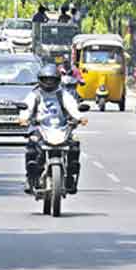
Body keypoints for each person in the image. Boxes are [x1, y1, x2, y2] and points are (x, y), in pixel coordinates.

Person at [19, 63, 87, 195]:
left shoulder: (63, 94)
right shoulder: (35, 95)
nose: (49, 83)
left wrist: (80, 117)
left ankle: (70, 177)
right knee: (31, 145)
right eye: (46, 79)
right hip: (41, 127)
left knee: (74, 144)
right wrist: (23, 118)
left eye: (52, 80)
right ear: (41, 80)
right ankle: (30, 177)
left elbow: (72, 107)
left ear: (57, 80)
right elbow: (27, 108)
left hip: (61, 128)